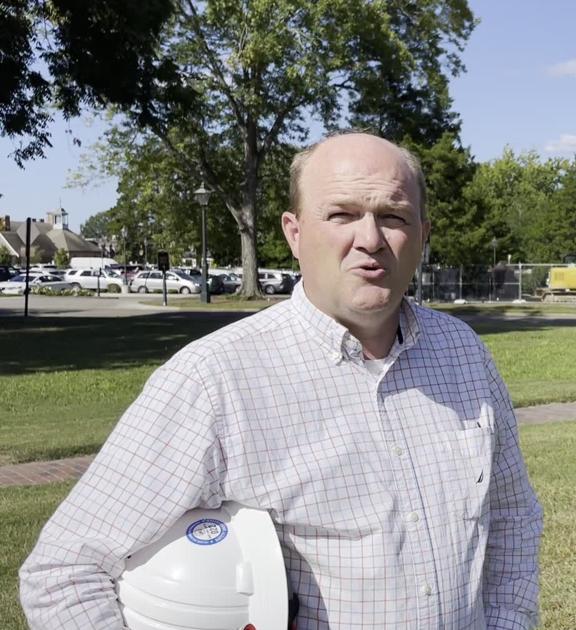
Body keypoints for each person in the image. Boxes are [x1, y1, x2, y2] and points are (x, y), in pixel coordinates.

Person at [20, 133, 544, 629]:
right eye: (342, 214)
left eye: (394, 216)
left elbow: (512, 518)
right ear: (294, 234)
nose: (370, 239)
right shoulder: (215, 380)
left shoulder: (463, 353)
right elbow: (65, 572)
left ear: (423, 236)